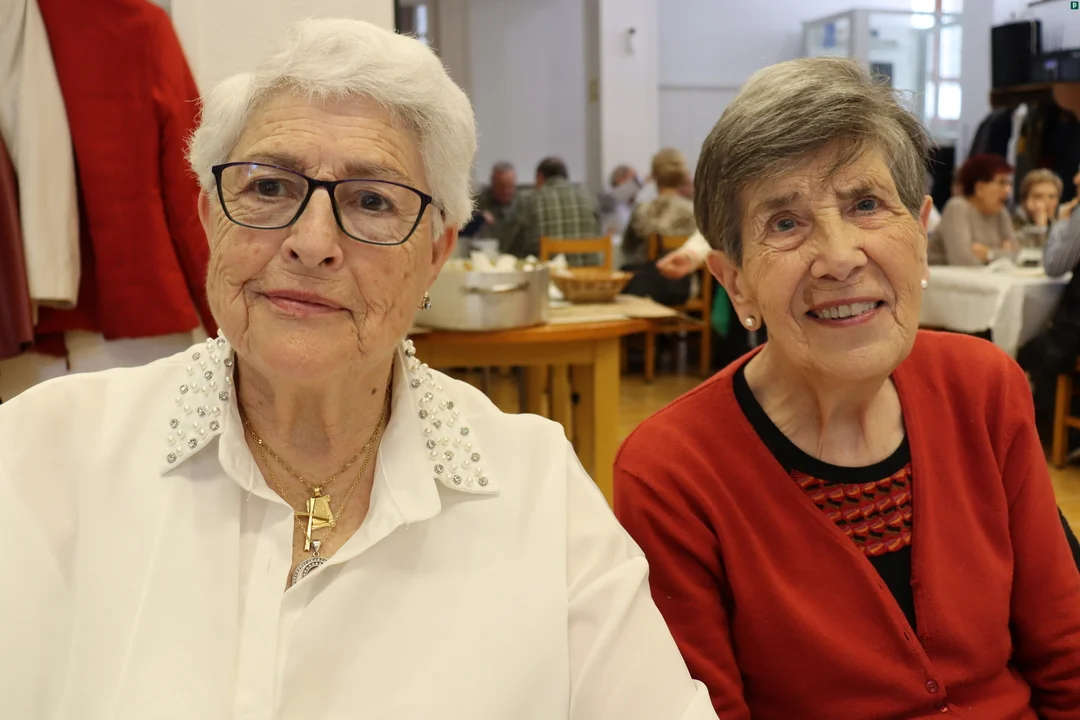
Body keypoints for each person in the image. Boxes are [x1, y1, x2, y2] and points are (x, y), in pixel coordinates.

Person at [0, 19, 719, 719]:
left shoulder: (535, 488)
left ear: (435, 254)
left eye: (373, 200)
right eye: (270, 188)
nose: (312, 242)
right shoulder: (45, 450)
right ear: (211, 216)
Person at [615, 57, 1080, 719]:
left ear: (920, 233)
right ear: (735, 282)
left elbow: (1067, 651)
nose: (838, 257)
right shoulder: (671, 472)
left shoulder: (983, 388)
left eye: (866, 205)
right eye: (784, 223)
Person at [500, 156, 601, 263]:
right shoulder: (589, 199)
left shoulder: (530, 200)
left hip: (549, 272)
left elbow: (509, 245)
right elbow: (597, 233)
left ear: (540, 177)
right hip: (590, 272)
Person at [928, 153, 1015, 265]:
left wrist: (989, 254)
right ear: (979, 188)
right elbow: (962, 260)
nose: (1008, 190)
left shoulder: (1001, 212)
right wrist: (1002, 254)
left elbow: (1016, 254)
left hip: (982, 275)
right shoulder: (957, 207)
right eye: (1002, 183)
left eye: (1009, 184)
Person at [1013, 168, 1063, 247]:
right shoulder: (1012, 225)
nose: (1046, 202)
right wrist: (1041, 227)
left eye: (1052, 197)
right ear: (1025, 200)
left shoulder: (1061, 225)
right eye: (1038, 196)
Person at [468, 160, 517, 237]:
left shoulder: (523, 204)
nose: (506, 191)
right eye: (501, 186)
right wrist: (479, 218)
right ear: (493, 183)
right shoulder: (477, 202)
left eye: (510, 186)